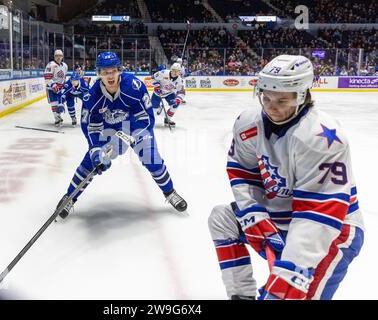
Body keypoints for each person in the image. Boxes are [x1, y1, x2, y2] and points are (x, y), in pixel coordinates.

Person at [208, 55, 364, 300]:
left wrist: (291, 269)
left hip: (332, 230)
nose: (271, 106)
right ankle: (242, 296)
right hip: (281, 218)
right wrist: (253, 211)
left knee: (288, 292)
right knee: (223, 218)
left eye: (282, 100)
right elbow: (243, 171)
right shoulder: (248, 124)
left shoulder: (320, 138)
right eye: (266, 97)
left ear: (302, 95)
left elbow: (318, 212)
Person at [55, 52, 187, 219]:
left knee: (151, 158)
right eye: (105, 72)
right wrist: (95, 147)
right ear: (99, 74)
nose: (109, 76)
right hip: (108, 129)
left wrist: (134, 136)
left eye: (113, 71)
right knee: (90, 162)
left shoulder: (134, 86)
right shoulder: (92, 96)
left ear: (119, 70)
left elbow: (146, 117)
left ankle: (170, 193)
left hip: (135, 126)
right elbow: (91, 126)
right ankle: (69, 198)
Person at [151, 63, 185, 127]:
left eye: (177, 71)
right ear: (171, 69)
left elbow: (181, 92)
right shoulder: (163, 73)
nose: (175, 72)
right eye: (174, 70)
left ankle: (167, 119)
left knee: (175, 104)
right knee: (153, 109)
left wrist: (178, 99)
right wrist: (156, 85)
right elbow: (152, 78)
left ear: (179, 72)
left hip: (169, 93)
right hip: (157, 93)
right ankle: (158, 109)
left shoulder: (179, 80)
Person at [44, 49, 68, 126]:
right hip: (51, 88)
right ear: (54, 56)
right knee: (54, 103)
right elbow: (47, 77)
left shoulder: (65, 65)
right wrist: (53, 85)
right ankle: (57, 118)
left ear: (62, 57)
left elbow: (64, 76)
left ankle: (58, 116)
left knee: (60, 104)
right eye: (57, 56)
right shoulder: (50, 65)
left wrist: (64, 84)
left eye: (60, 56)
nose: (58, 57)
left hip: (60, 88)